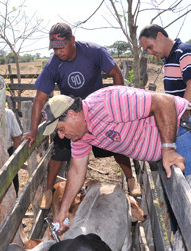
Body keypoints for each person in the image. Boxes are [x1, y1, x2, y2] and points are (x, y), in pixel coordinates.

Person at [41, 86, 191, 241]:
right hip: (170, 143)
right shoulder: (80, 136)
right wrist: (63, 211)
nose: (62, 136)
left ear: (71, 115)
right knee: (179, 210)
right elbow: (77, 171)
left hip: (184, 130)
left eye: (60, 129)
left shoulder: (105, 103)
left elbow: (163, 101)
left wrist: (168, 148)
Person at [23, 22, 141, 210]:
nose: (59, 52)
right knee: (59, 150)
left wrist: (118, 103)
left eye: (62, 46)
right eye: (54, 48)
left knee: (115, 143)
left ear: (72, 40)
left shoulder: (94, 52)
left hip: (97, 112)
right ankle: (47, 189)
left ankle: (131, 179)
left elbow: (116, 73)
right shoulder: (53, 65)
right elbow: (40, 99)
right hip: (70, 117)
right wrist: (32, 130)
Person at [138, 24, 191, 132]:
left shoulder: (185, 51)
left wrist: (181, 119)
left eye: (150, 47)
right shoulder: (168, 59)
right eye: (146, 50)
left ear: (160, 36)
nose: (149, 52)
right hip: (186, 123)